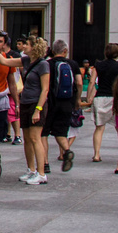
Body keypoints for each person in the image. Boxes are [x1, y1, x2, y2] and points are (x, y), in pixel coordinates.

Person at [42, 40, 79, 172]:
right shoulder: (72, 64)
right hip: (67, 103)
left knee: (43, 134)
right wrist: (77, 100)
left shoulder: (47, 64)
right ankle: (67, 150)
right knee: (61, 132)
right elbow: (79, 83)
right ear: (65, 51)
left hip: (50, 102)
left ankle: (45, 164)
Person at [18, 36, 50, 185]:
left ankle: (41, 173)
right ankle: (31, 169)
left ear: (34, 47)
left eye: (27, 45)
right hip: (25, 102)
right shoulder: (25, 61)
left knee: (36, 138)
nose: (24, 47)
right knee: (27, 139)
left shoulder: (43, 65)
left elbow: (45, 89)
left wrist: (38, 109)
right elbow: (4, 61)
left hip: (35, 103)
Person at [93, 43, 118, 162]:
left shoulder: (98, 65)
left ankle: (96, 154)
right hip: (116, 98)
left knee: (99, 128)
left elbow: (93, 81)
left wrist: (89, 96)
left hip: (101, 97)